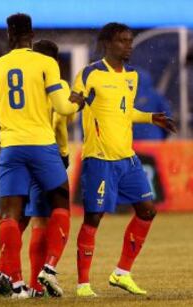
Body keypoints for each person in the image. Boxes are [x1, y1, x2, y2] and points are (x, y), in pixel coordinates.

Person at [72, 22, 177, 297]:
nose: (128, 45)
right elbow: (75, 102)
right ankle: (83, 285)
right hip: (100, 158)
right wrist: (71, 103)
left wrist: (150, 117)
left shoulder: (130, 76)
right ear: (107, 43)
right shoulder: (90, 73)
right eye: (122, 41)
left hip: (127, 158)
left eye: (130, 40)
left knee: (147, 211)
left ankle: (121, 273)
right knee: (94, 217)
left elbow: (124, 110)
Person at [0, 13, 83, 298]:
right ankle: (49, 268)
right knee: (61, 201)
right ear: (31, 35)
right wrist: (76, 101)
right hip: (42, 145)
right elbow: (63, 108)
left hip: (11, 147)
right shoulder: (45, 63)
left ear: (8, 34)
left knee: (9, 215)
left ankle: (15, 286)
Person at [23, 39, 73, 298]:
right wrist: (63, 152)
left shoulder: (25, 84)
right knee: (61, 207)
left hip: (22, 151)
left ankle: (33, 285)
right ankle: (49, 268)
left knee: (37, 219)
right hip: (49, 151)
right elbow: (60, 121)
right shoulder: (58, 85)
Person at [133, 68, 172, 140]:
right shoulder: (155, 95)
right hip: (153, 141)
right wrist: (164, 136)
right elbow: (167, 117)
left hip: (131, 143)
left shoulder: (124, 96)